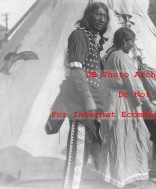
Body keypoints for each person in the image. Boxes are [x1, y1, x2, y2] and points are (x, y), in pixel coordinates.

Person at [55, 3, 110, 189]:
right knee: (77, 154)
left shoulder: (92, 39)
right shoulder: (79, 35)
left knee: (86, 152)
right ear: (88, 15)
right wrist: (88, 98)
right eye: (97, 14)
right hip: (81, 104)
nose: (101, 18)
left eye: (104, 15)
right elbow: (76, 70)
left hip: (92, 105)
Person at [97, 27, 156, 188]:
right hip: (124, 101)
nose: (133, 45)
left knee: (116, 137)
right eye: (131, 41)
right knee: (124, 136)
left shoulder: (110, 55)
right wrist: (146, 102)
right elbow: (133, 82)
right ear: (124, 41)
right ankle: (124, 176)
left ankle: (113, 175)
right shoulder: (122, 57)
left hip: (113, 99)